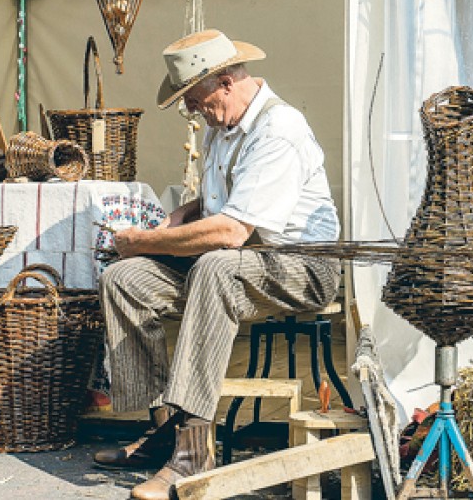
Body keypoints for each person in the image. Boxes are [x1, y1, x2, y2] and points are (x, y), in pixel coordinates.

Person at [92, 29, 341, 500]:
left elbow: (231, 232)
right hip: (245, 261)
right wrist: (186, 211)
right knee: (124, 278)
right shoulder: (221, 126)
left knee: (215, 267)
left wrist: (150, 239)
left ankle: (192, 453)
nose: (190, 109)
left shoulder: (278, 130)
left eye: (194, 96)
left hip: (302, 267)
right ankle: (164, 431)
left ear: (225, 81)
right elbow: (222, 198)